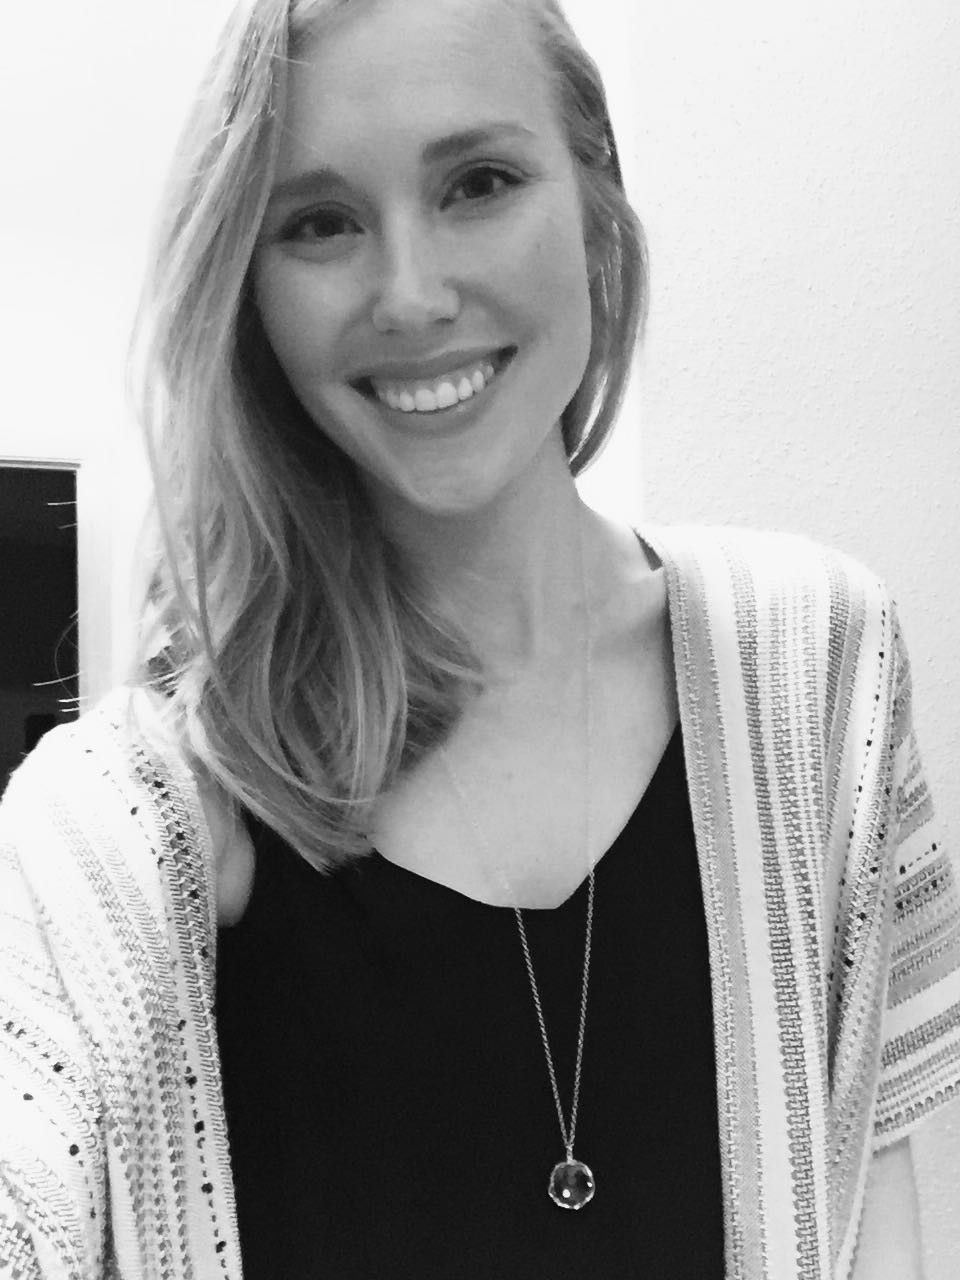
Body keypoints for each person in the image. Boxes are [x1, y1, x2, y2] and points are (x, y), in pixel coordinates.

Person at [1, 0, 958, 1275]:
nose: (411, 295)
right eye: (320, 221)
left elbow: (875, 1200)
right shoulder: (124, 825)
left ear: (596, 204)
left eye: (479, 183)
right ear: (246, 286)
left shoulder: (816, 669)